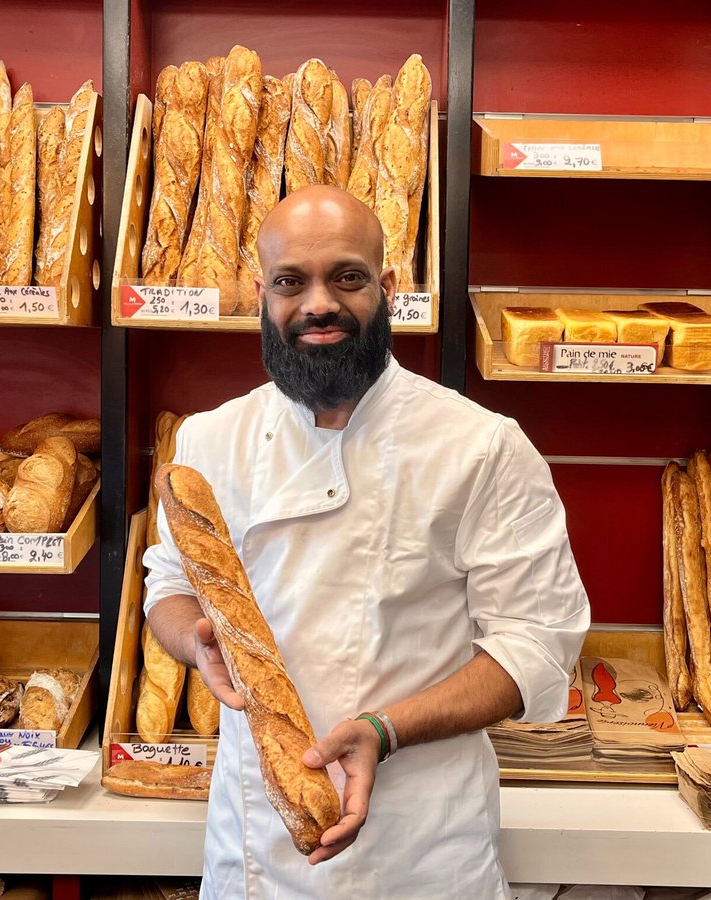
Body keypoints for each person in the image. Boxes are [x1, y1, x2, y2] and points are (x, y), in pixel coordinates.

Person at [143, 185, 590, 899]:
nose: (318, 304)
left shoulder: (481, 447)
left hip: (416, 849)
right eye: (291, 283)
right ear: (263, 294)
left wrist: (385, 729)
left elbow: (536, 645)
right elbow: (166, 581)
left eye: (346, 278)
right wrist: (194, 643)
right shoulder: (207, 438)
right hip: (252, 842)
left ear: (385, 288)